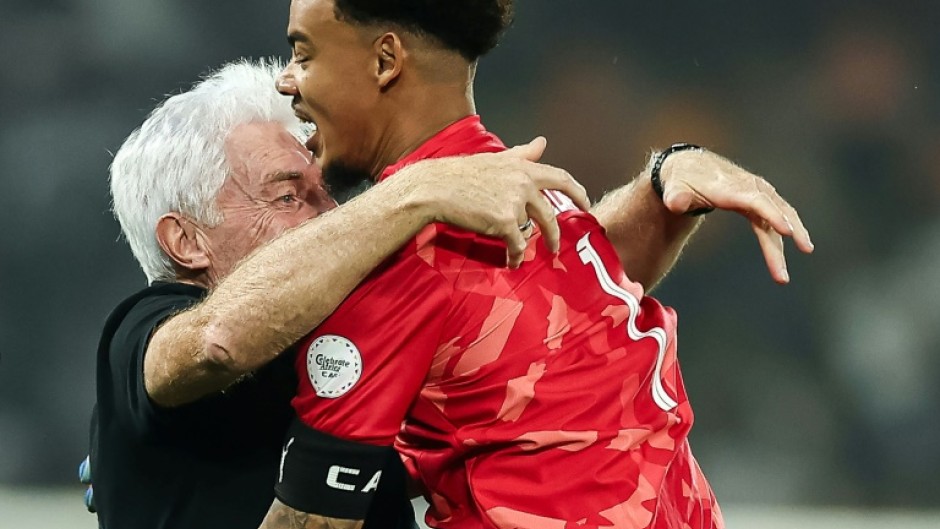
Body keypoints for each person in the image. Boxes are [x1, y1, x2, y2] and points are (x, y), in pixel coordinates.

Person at [262, 1, 813, 529]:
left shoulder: (396, 261)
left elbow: (317, 519)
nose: (286, 81)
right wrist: (670, 168)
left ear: (386, 60)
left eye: (303, 55)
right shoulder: (544, 204)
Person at [91, 58, 592, 529]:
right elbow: (218, 341)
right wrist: (418, 190)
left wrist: (634, 207)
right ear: (186, 241)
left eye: (325, 192)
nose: (331, 216)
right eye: (287, 196)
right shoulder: (140, 330)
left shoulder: (348, 333)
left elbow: (551, 285)